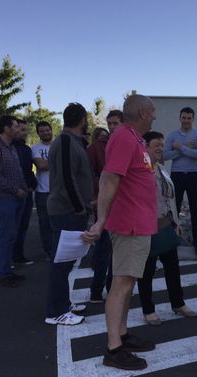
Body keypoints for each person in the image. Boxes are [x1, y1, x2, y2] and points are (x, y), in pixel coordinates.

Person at [82, 95, 158, 371]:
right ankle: (114, 349)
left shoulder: (134, 138)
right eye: (152, 111)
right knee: (121, 284)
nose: (154, 116)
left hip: (137, 223)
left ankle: (122, 334)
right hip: (130, 225)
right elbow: (109, 178)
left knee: (128, 282)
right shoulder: (125, 138)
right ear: (141, 113)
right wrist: (101, 220)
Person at [137, 131, 197, 326]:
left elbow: (169, 199)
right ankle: (148, 310)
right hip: (146, 229)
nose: (160, 149)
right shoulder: (139, 171)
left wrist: (176, 223)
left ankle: (178, 303)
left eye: (162, 145)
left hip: (165, 226)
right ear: (144, 147)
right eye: (156, 144)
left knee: (173, 268)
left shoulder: (162, 169)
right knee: (146, 272)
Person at [44, 103, 94, 325]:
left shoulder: (73, 141)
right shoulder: (65, 141)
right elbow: (66, 178)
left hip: (71, 210)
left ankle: (63, 303)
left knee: (66, 262)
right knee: (60, 262)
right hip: (66, 211)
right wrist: (80, 208)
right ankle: (56, 312)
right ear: (83, 120)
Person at [0, 115, 28, 287]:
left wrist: (24, 188)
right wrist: (15, 190)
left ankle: (7, 270)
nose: (18, 130)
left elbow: (17, 172)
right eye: (15, 126)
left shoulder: (11, 147)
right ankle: (3, 274)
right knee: (7, 236)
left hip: (17, 198)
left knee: (9, 235)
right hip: (5, 199)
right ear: (6, 129)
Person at [87, 110, 123, 303]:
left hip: (123, 205)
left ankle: (111, 288)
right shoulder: (96, 148)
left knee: (117, 252)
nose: (111, 126)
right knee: (103, 249)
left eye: (115, 123)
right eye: (109, 123)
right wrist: (96, 196)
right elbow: (89, 174)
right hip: (105, 204)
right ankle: (96, 290)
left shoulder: (126, 143)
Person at [163, 107, 197, 256]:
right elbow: (165, 155)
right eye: (184, 118)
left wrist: (180, 147)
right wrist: (185, 149)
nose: (186, 121)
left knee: (195, 210)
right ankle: (173, 241)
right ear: (180, 118)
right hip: (177, 175)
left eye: (189, 118)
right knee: (174, 209)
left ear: (193, 119)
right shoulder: (172, 135)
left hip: (193, 175)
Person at [12, 119, 38, 265]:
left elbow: (28, 170)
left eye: (25, 130)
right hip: (13, 194)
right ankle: (6, 260)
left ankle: (18, 256)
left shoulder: (27, 149)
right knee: (10, 229)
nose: (23, 133)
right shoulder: (8, 148)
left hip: (27, 193)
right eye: (20, 130)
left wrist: (32, 184)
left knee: (22, 226)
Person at [32, 121, 54, 259]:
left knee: (60, 222)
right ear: (38, 133)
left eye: (47, 130)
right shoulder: (35, 148)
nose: (45, 133)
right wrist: (59, 161)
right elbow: (41, 165)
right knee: (45, 224)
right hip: (43, 192)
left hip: (59, 191)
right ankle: (49, 251)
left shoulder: (58, 144)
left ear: (51, 130)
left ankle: (60, 249)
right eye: (42, 131)